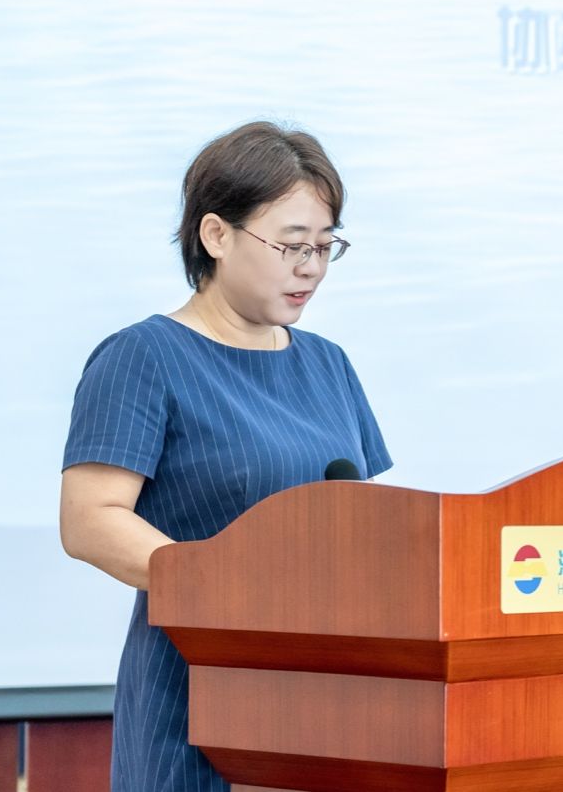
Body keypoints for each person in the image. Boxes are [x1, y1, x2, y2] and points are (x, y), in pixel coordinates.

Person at [59, 121, 392, 791]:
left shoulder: (328, 364)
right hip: (197, 688)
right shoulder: (144, 357)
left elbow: (369, 525)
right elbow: (90, 520)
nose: (311, 267)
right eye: (292, 245)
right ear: (216, 234)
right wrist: (233, 589)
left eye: (325, 246)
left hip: (323, 700)